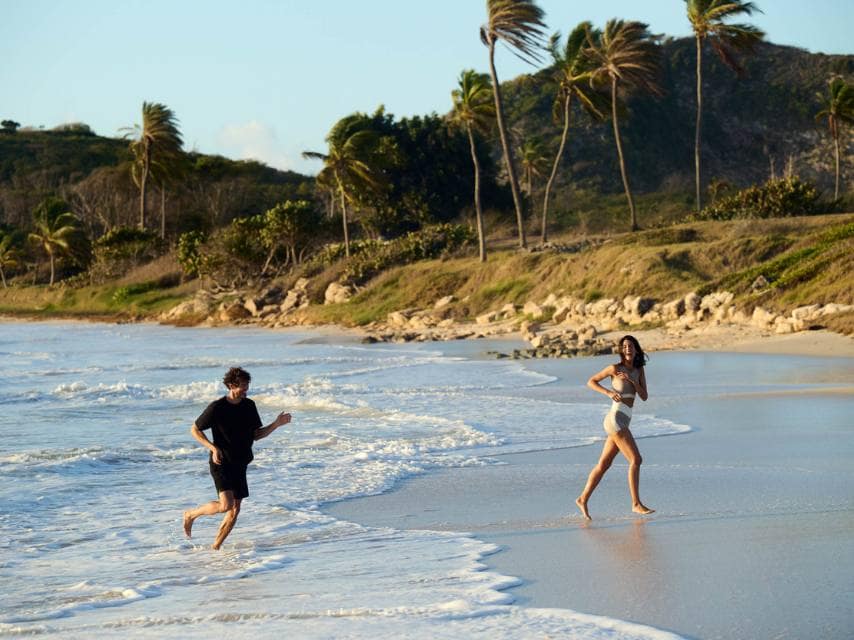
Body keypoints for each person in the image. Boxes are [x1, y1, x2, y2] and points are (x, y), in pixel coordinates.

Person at [183, 367, 291, 549]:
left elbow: (256, 434)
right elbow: (194, 429)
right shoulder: (217, 408)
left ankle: (215, 547)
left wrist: (276, 424)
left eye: (247, 385)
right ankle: (190, 515)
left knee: (235, 511)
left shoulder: (249, 406)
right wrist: (212, 447)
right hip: (221, 462)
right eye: (242, 386)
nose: (246, 389)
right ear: (231, 385)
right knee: (226, 505)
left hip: (241, 463)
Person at [576, 335, 654, 520]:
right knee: (636, 460)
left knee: (604, 464)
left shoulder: (639, 369)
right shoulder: (614, 368)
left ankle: (582, 498)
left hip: (625, 419)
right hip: (615, 418)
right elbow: (591, 381)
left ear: (636, 349)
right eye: (625, 346)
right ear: (621, 350)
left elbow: (644, 396)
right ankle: (635, 503)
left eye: (631, 346)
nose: (628, 349)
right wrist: (609, 392)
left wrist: (634, 382)